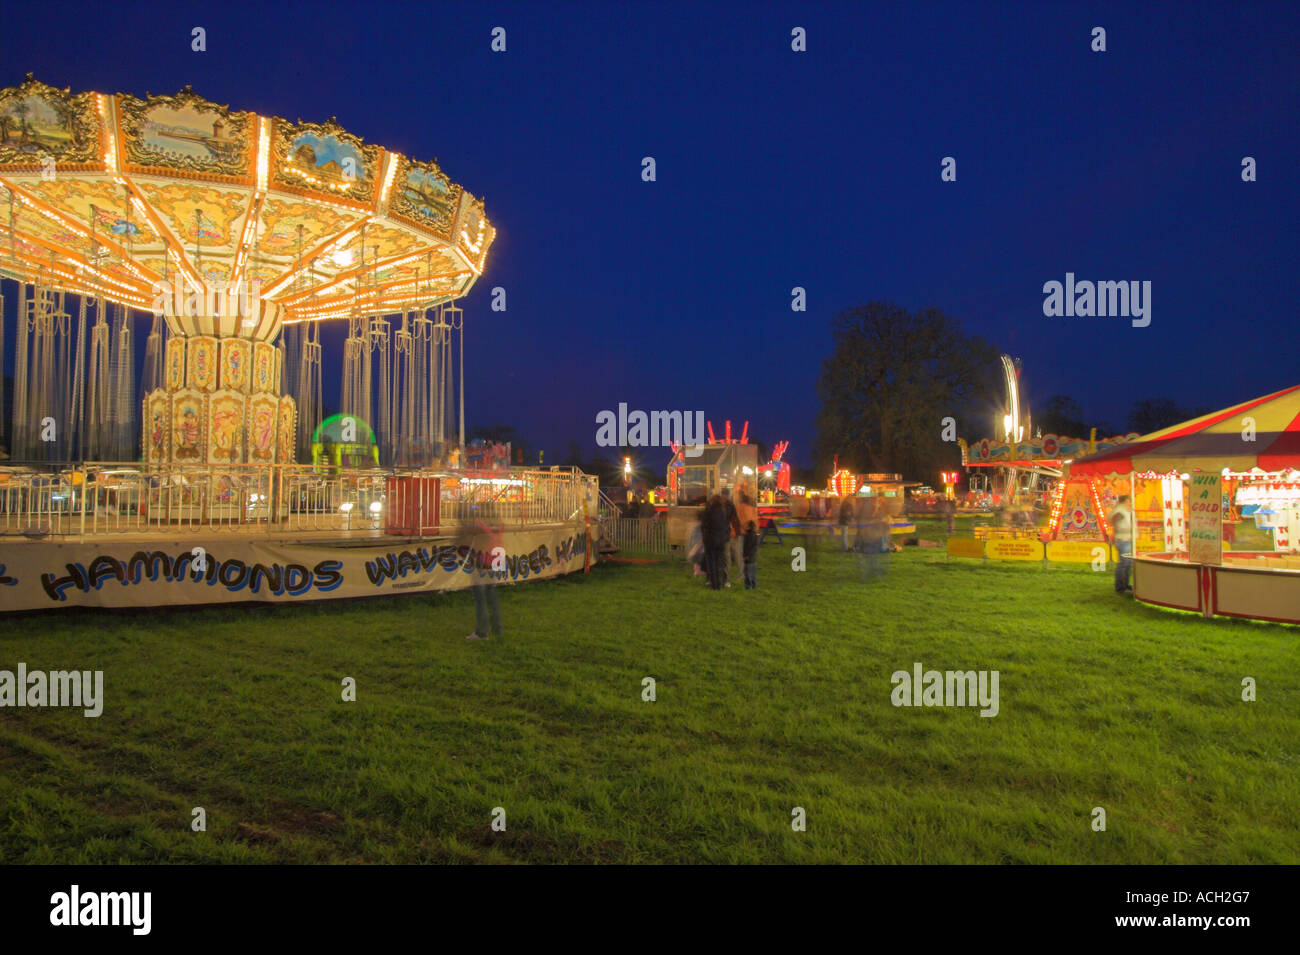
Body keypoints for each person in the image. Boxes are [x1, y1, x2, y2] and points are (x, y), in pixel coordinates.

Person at [459, 510, 504, 640]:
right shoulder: (499, 524)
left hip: (484, 562)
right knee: (491, 596)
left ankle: (482, 632)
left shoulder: (479, 525)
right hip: (496, 560)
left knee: (480, 598)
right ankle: (497, 629)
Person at [701, 494, 731, 591]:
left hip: (711, 540)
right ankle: (721, 582)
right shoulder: (723, 512)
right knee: (720, 562)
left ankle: (714, 584)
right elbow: (726, 526)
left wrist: (705, 537)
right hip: (721, 540)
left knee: (712, 563)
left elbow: (704, 525)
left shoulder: (708, 511)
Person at [1109, 494, 1135, 594]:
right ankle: (1120, 587)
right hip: (1122, 539)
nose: (1130, 503)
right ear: (1124, 501)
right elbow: (1115, 523)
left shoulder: (1127, 511)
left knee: (1128, 564)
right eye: (1128, 501)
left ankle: (1126, 585)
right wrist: (1115, 535)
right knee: (1124, 563)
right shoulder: (1120, 512)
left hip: (1127, 538)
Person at [721, 488, 742, 587]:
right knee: (727, 557)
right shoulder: (730, 505)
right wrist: (738, 533)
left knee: (722, 557)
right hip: (726, 534)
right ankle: (726, 580)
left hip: (719, 534)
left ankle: (717, 579)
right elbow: (735, 520)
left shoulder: (716, 504)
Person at [742, 520, 759, 589]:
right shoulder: (755, 535)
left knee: (747, 572)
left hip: (749, 557)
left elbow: (747, 547)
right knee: (753, 573)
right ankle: (754, 585)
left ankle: (748, 586)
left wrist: (745, 555)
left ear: (748, 527)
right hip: (754, 556)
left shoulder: (747, 536)